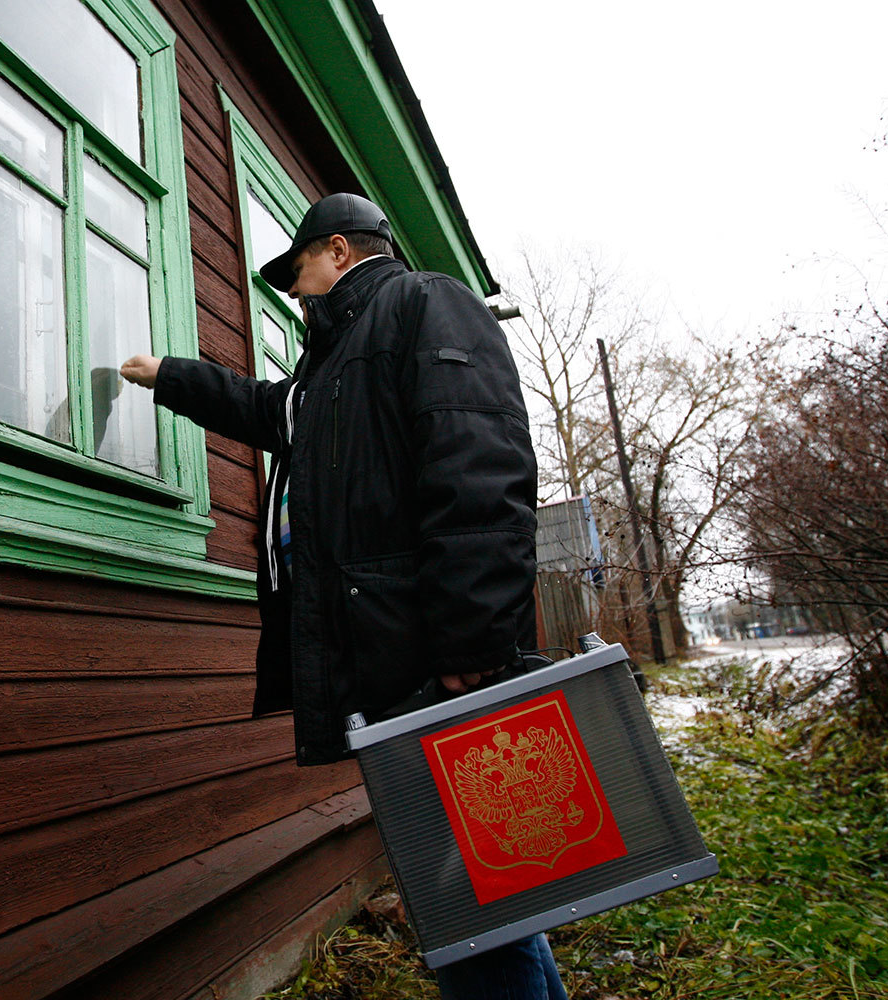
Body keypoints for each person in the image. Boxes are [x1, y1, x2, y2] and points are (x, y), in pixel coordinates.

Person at [120, 193, 562, 999]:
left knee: (457, 880)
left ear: (338, 251)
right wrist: (168, 377)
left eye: (299, 273)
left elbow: (483, 481)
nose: (294, 292)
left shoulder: (424, 306)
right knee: (475, 869)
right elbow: (263, 407)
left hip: (435, 663)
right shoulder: (329, 374)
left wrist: (471, 651)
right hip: (394, 658)